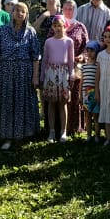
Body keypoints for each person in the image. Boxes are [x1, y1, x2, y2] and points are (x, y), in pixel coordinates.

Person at [0, 0, 42, 150]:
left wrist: (35, 76)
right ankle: (7, 137)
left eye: (23, 11)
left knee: (22, 103)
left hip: (25, 73)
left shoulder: (30, 32)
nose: (19, 13)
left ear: (26, 15)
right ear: (12, 13)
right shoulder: (1, 31)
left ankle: (22, 135)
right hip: (5, 72)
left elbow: (36, 57)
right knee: (6, 104)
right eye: (17, 10)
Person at [40, 14, 75, 142]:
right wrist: (42, 76)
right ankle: (51, 131)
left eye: (60, 25)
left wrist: (71, 75)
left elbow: (71, 61)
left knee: (62, 103)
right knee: (51, 103)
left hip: (63, 74)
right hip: (51, 73)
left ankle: (63, 131)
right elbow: (44, 60)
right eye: (55, 26)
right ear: (52, 27)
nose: (57, 28)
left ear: (65, 26)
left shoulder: (69, 41)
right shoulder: (48, 42)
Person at [61, 0, 89, 136]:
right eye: (66, 8)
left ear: (75, 10)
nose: (68, 11)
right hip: (60, 67)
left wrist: (83, 56)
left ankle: (75, 127)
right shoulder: (57, 24)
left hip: (76, 67)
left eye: (71, 8)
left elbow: (86, 46)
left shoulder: (80, 27)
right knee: (61, 96)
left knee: (75, 95)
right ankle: (61, 127)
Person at [80, 40, 101, 142]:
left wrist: (98, 93)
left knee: (96, 116)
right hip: (86, 93)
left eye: (92, 51)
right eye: (88, 50)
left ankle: (97, 136)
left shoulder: (98, 66)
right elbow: (82, 81)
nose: (89, 53)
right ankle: (88, 135)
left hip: (95, 92)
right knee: (87, 115)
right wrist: (80, 95)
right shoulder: (84, 66)